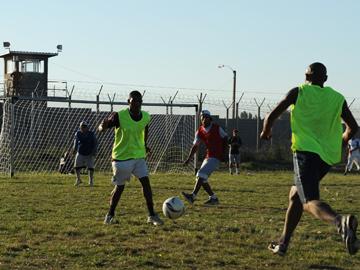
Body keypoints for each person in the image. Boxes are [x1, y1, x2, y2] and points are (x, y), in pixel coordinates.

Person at [260, 62, 359, 256]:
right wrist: (339, 141)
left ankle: (340, 222)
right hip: (326, 157)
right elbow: (353, 127)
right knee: (296, 196)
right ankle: (283, 243)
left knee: (309, 201)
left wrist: (265, 131)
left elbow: (272, 115)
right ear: (325, 79)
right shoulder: (337, 97)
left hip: (305, 152)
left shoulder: (298, 92)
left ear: (306, 76)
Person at [98, 90, 163, 226]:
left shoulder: (146, 116)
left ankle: (151, 215)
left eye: (139, 101)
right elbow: (104, 126)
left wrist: (145, 146)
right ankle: (110, 215)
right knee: (119, 188)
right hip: (121, 158)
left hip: (139, 157)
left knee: (146, 184)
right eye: (134, 101)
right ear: (129, 102)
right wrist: (101, 127)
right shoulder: (119, 116)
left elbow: (145, 130)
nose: (137, 104)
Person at [182, 110, 228, 205]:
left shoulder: (216, 128)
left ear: (210, 119)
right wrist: (189, 158)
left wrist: (224, 154)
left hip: (216, 156)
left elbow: (226, 138)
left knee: (201, 174)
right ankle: (213, 198)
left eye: (206, 117)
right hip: (208, 156)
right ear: (201, 119)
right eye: (203, 117)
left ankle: (193, 196)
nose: (204, 119)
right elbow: (195, 146)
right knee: (201, 179)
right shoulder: (200, 131)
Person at [73, 121, 97, 186]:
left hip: (89, 153)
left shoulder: (91, 134)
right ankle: (78, 179)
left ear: (87, 127)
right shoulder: (77, 133)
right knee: (76, 166)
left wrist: (94, 151)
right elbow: (75, 142)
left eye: (84, 126)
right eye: (82, 127)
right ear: (80, 127)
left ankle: (91, 180)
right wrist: (74, 150)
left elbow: (95, 143)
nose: (83, 128)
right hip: (80, 152)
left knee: (90, 167)